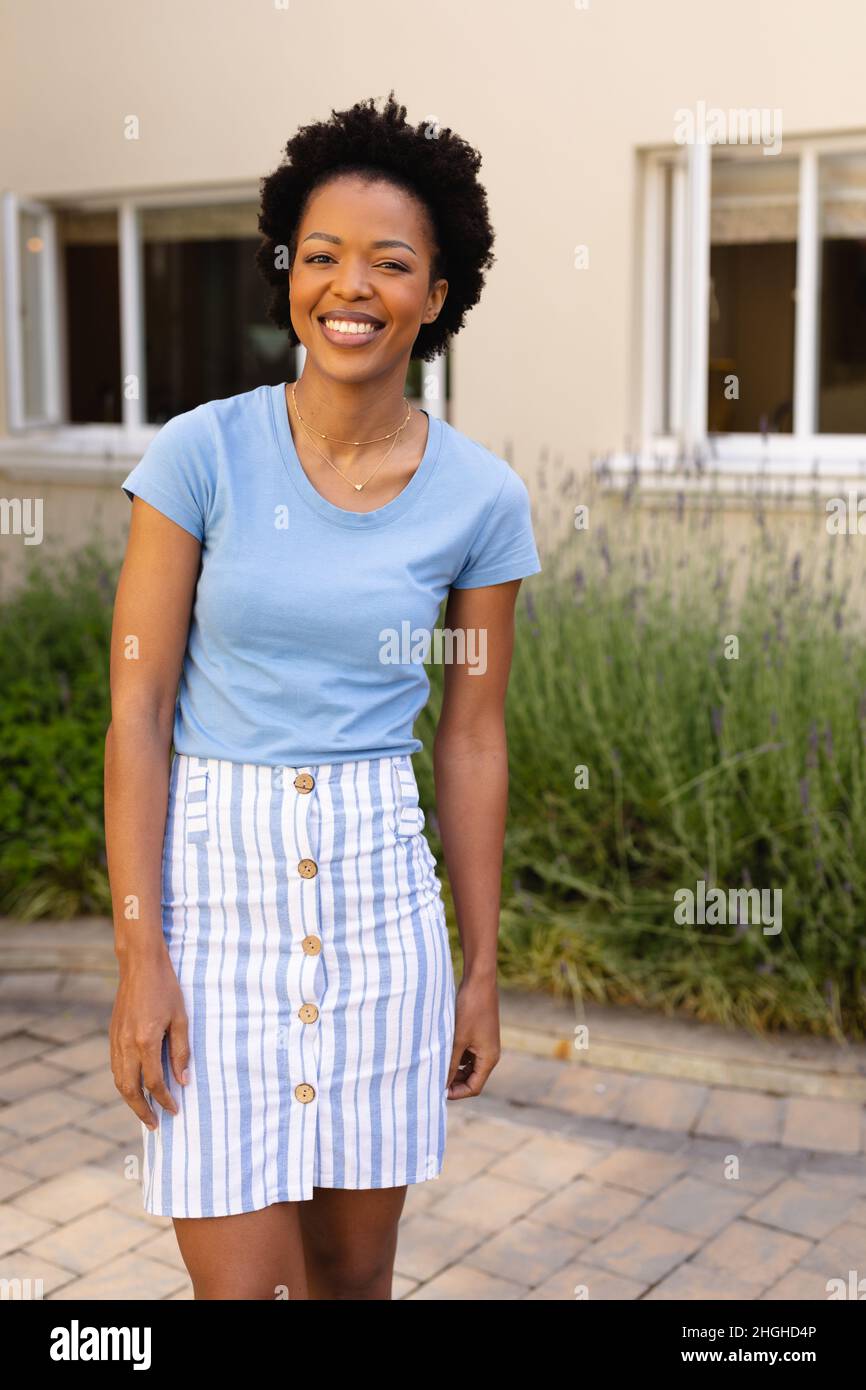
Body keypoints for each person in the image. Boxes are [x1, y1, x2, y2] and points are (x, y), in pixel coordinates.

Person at [104, 91, 541, 1301]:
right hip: (213, 902)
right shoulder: (199, 457)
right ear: (287, 269)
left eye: (389, 262)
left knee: (352, 1285)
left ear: (435, 294)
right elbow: (136, 716)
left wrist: (478, 967)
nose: (350, 286)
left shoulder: (481, 499)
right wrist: (141, 953)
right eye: (323, 255)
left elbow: (470, 735)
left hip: (376, 904)